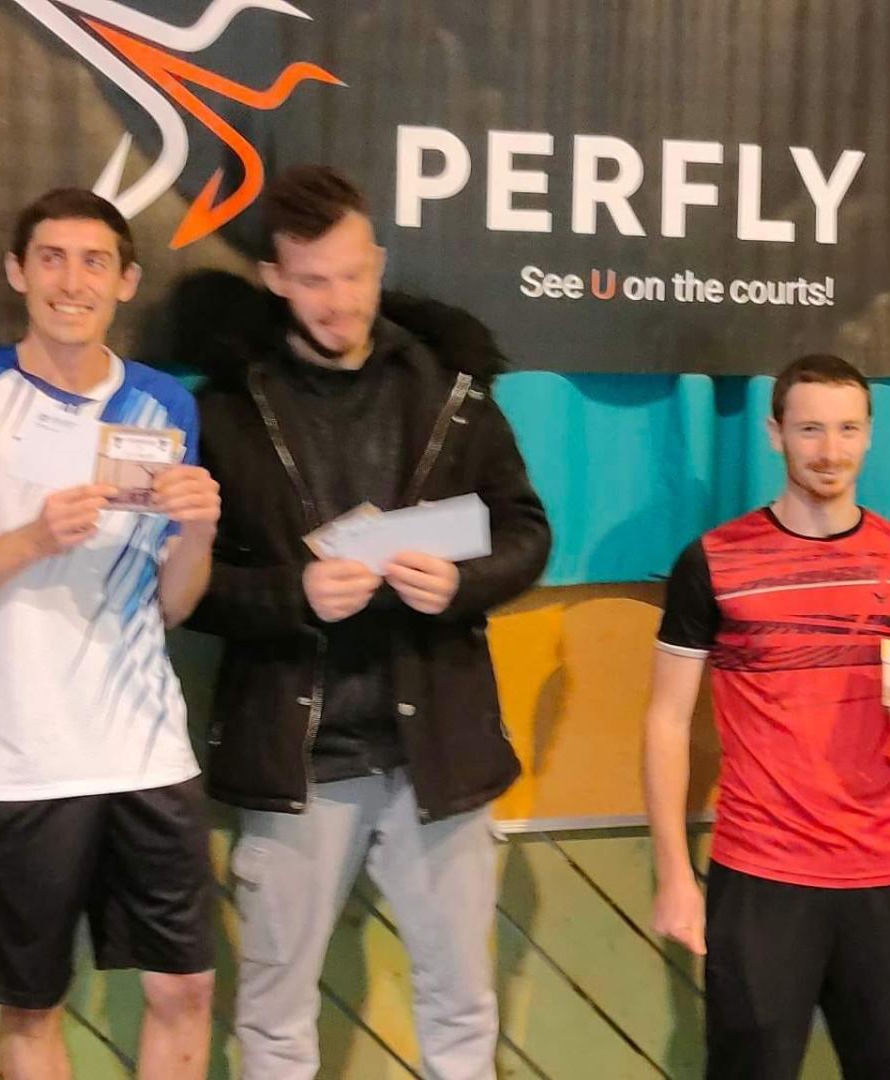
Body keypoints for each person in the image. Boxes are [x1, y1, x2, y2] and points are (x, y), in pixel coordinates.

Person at [186, 165, 550, 1080]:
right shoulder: (224, 409)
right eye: (313, 280)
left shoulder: (454, 388)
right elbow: (192, 591)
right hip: (297, 755)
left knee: (461, 1008)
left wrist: (461, 583)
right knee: (274, 1019)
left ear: (379, 262)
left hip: (439, 746)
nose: (339, 299)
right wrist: (293, 596)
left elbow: (526, 532)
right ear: (274, 278)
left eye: (353, 274)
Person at [0, 188, 221, 1079]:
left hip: (147, 750)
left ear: (127, 281)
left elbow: (173, 605)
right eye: (53, 259)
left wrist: (199, 533)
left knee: (186, 990)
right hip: (16, 758)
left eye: (95, 261)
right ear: (17, 272)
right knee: (32, 1007)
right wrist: (32, 539)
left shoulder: (164, 406)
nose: (73, 282)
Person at [643, 353, 890, 1080]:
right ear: (774, 433)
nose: (830, 450)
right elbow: (665, 722)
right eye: (810, 429)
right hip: (761, 874)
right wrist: (674, 873)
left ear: (870, 434)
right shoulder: (712, 562)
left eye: (847, 429)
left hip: (885, 875)